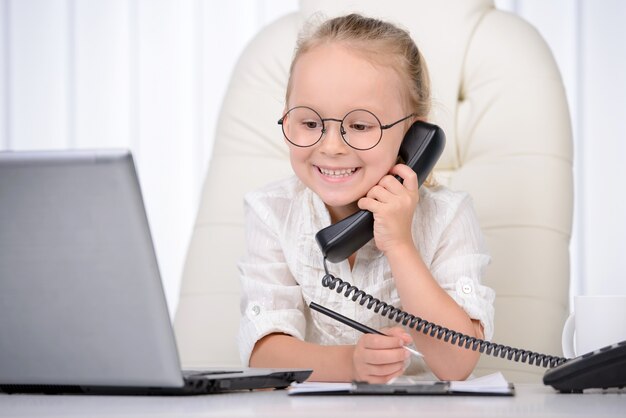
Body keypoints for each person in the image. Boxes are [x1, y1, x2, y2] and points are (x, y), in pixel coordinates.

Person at [237, 13, 495, 383]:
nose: (330, 147)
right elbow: (262, 353)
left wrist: (401, 245)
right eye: (309, 123)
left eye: (359, 126)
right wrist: (350, 365)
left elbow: (457, 363)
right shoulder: (273, 212)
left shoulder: (448, 217)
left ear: (414, 135)